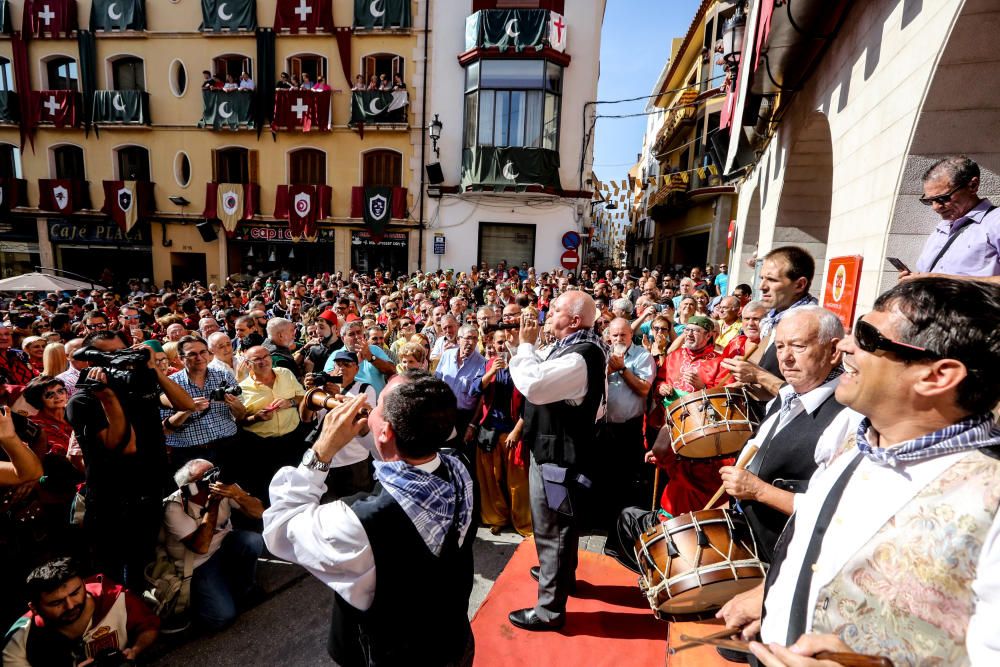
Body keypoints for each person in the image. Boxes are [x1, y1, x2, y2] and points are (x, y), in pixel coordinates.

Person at [744, 278, 1000, 666]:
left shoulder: (991, 494)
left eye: (867, 337)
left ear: (938, 375)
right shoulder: (854, 441)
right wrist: (774, 592)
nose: (845, 346)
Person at [263, 374, 476, 666]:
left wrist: (323, 448)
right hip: (453, 638)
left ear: (386, 431)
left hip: (395, 655)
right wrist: (374, 427)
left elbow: (281, 528)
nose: (368, 409)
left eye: (376, 407)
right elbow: (401, 456)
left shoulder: (359, 520)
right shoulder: (458, 465)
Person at [507, 291, 606, 631]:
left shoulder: (580, 357)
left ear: (575, 321)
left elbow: (533, 384)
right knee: (559, 527)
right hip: (552, 452)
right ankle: (561, 575)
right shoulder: (572, 348)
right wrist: (523, 346)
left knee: (554, 528)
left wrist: (524, 347)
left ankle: (550, 609)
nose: (548, 314)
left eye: (556, 309)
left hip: (558, 459)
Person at [65, 331, 195, 591]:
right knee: (118, 575)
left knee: (149, 562)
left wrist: (153, 371)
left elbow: (186, 403)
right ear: (91, 360)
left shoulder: (137, 383)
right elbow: (125, 446)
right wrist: (109, 398)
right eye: (109, 355)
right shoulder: (84, 400)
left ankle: (151, 614)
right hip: (116, 502)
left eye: (122, 351)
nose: (118, 359)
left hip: (153, 487)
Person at [162, 459, 264, 630]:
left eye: (214, 473)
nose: (214, 480)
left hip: (223, 546)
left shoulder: (225, 488)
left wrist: (238, 495)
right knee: (223, 617)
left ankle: (243, 589)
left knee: (253, 541)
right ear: (190, 487)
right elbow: (200, 547)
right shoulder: (174, 508)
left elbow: (260, 513)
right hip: (198, 563)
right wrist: (213, 505)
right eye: (207, 477)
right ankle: (200, 604)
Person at [2, 557, 160, 665]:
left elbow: (148, 626)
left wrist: (135, 650)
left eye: (75, 593)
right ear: (34, 608)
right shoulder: (19, 639)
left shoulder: (115, 598)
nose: (70, 606)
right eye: (56, 602)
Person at [650, 315, 734, 516]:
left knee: (691, 479)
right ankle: (665, 514)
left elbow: (725, 399)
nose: (688, 334)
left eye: (695, 331)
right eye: (686, 330)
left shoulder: (719, 362)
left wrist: (703, 388)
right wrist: (662, 388)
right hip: (669, 423)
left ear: (708, 335)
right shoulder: (674, 356)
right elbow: (660, 380)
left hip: (699, 432)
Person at [723, 246, 817, 401]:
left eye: (772, 280)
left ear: (799, 285)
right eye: (762, 278)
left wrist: (757, 375)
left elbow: (807, 397)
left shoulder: (811, 325)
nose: (762, 287)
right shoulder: (775, 318)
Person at [904, 155, 1000, 280]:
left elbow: (938, 278)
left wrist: (943, 280)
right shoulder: (941, 228)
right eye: (929, 201)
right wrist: (914, 280)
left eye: (943, 198)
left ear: (973, 186)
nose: (935, 207)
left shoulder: (995, 221)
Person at [299, 349, 377, 498]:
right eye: (338, 364)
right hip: (325, 461)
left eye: (347, 364)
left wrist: (335, 396)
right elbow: (305, 418)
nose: (341, 368)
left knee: (357, 503)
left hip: (355, 461)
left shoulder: (365, 389)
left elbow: (362, 420)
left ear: (356, 369)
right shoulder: (321, 388)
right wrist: (309, 391)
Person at [160, 336, 244, 470]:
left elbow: (241, 415)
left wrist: (233, 404)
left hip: (228, 446)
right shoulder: (170, 385)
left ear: (209, 354)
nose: (199, 358)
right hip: (190, 454)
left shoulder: (224, 376)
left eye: (203, 352)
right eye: (192, 354)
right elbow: (164, 430)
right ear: (181, 359)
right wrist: (188, 408)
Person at [601, 317, 655, 520]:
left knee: (627, 477)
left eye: (623, 334)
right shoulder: (604, 354)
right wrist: (609, 368)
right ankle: (605, 518)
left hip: (629, 429)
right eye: (615, 335)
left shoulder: (642, 356)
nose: (619, 338)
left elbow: (643, 389)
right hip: (604, 427)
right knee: (606, 474)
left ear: (631, 334)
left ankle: (625, 521)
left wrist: (622, 369)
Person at [435, 325, 486, 449]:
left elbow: (482, 398)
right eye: (468, 338)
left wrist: (472, 425)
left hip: (464, 418)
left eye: (475, 339)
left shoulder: (482, 363)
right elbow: (436, 383)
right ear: (458, 339)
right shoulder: (447, 355)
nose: (472, 342)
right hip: (443, 415)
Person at [323, 321, 396, 397]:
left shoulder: (374, 349)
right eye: (351, 334)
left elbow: (392, 370)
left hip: (379, 404)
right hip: (350, 403)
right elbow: (328, 378)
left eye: (358, 333)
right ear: (342, 338)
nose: (357, 336)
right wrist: (352, 364)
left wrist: (370, 357)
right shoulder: (336, 355)